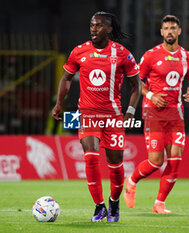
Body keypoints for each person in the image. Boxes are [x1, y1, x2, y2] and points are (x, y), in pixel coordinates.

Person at [52, 11, 141, 222]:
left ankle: (114, 202)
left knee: (115, 163)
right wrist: (58, 104)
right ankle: (99, 207)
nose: (93, 29)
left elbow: (136, 85)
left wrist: (129, 112)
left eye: (98, 26)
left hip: (113, 116)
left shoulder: (122, 54)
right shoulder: (79, 52)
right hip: (88, 114)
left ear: (109, 29)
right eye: (92, 25)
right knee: (91, 157)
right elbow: (66, 78)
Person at [123, 15, 189, 213]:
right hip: (154, 113)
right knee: (156, 162)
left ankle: (159, 203)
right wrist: (150, 94)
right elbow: (135, 83)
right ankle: (131, 181)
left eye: (173, 28)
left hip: (176, 114)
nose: (169, 32)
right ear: (161, 32)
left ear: (179, 31)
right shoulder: (151, 55)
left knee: (175, 160)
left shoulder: (188, 58)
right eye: (166, 28)